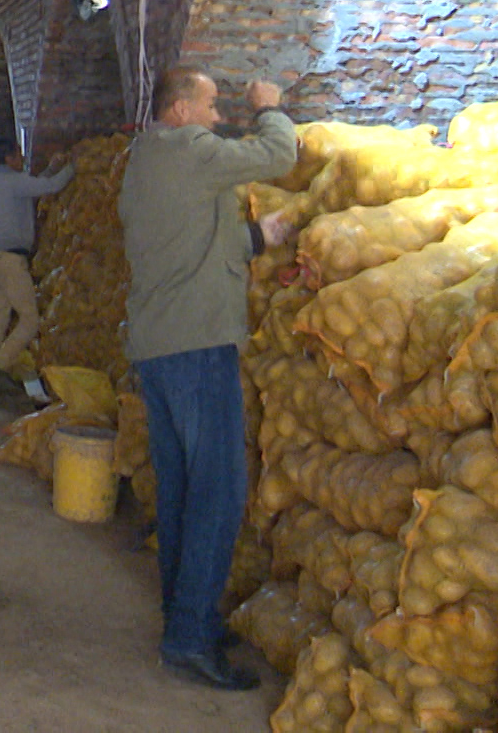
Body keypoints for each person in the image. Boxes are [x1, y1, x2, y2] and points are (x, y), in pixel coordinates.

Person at [120, 68, 295, 691]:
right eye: (211, 106)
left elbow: (187, 244)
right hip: (197, 347)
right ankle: (189, 638)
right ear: (178, 110)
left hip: (160, 348)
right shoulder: (188, 149)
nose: (219, 118)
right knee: (218, 493)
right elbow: (280, 153)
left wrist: (256, 237)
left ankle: (184, 613)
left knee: (181, 492)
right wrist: (268, 107)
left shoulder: (149, 160)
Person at [0, 137, 73, 405]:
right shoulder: (14, 181)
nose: (22, 158)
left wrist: (50, 169)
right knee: (30, 319)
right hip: (12, 263)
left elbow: (34, 185)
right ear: (9, 158)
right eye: (18, 154)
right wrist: (73, 167)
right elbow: (51, 186)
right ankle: (0, 364)